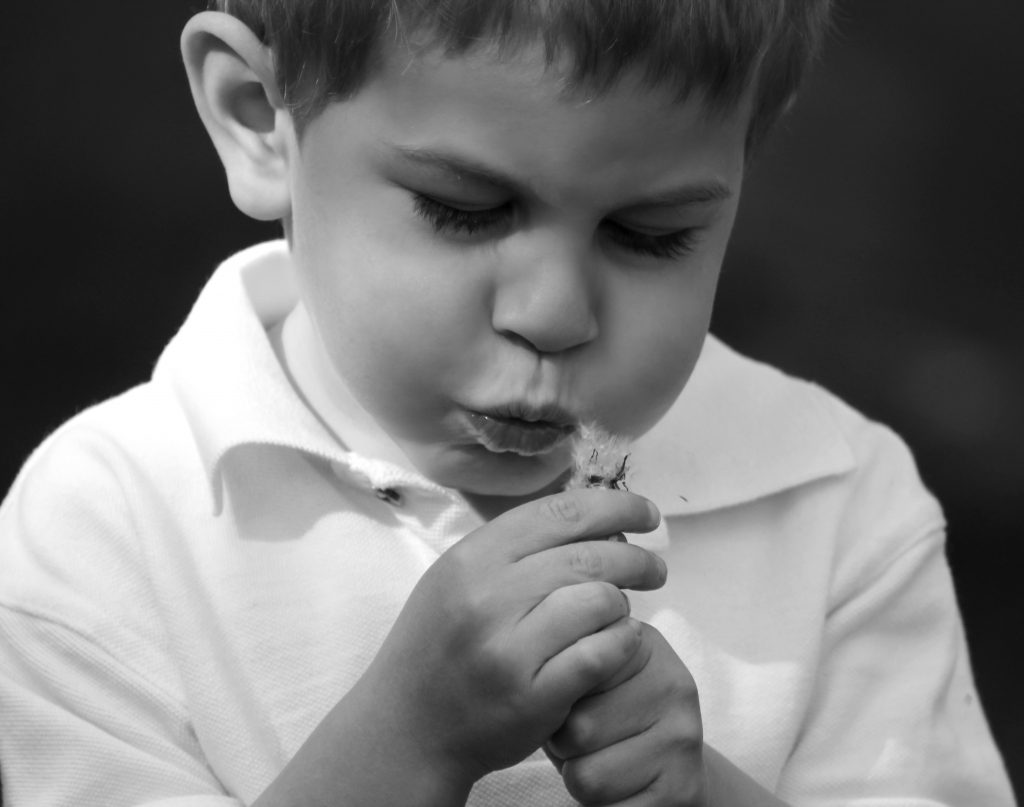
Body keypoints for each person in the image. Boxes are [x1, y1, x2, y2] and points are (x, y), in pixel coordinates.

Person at [0, 1, 1015, 805]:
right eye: (466, 211)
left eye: (649, 233)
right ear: (259, 118)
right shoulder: (103, 527)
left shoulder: (837, 502)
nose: (554, 311)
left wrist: (699, 791)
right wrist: (406, 744)